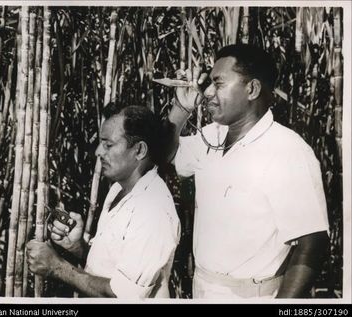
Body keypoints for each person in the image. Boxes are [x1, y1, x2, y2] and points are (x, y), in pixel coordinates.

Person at [165, 44, 329, 299]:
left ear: (252, 89)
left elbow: (312, 245)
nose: (207, 92)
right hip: (203, 289)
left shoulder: (288, 151)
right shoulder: (212, 136)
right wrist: (181, 108)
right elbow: (168, 154)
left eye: (218, 83)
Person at [27, 105, 180, 299]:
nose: (98, 151)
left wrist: (57, 267)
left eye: (108, 145)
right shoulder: (119, 188)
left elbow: (124, 296)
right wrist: (79, 248)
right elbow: (116, 265)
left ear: (139, 150)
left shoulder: (153, 210)